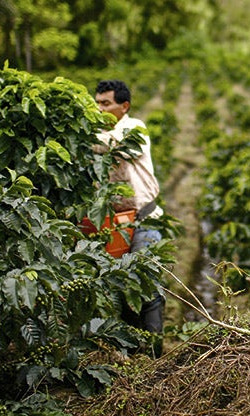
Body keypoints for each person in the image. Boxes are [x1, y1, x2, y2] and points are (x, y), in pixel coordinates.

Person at [93, 79, 166, 343]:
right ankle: (128, 349)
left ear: (124, 106)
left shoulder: (134, 128)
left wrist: (78, 135)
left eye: (106, 104)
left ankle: (154, 349)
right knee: (117, 289)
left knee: (145, 284)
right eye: (97, 103)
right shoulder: (98, 133)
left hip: (143, 220)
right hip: (112, 224)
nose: (100, 109)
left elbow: (112, 145)